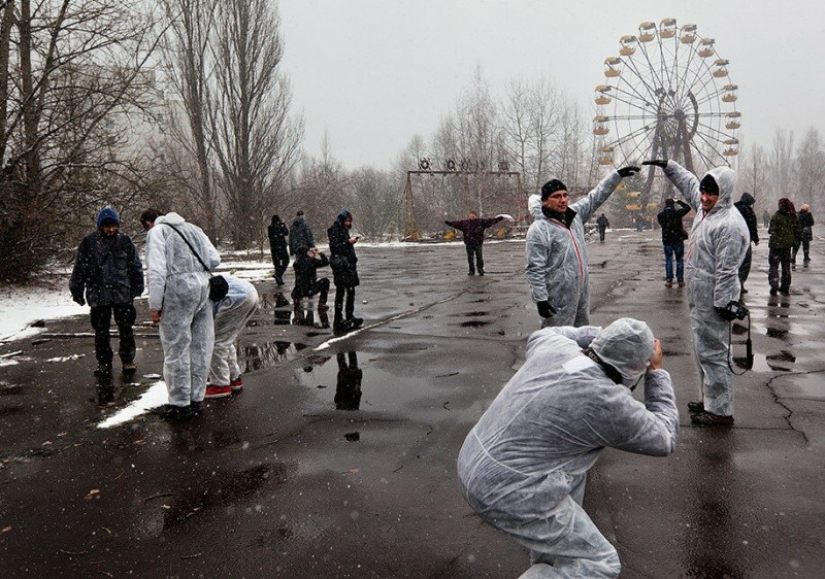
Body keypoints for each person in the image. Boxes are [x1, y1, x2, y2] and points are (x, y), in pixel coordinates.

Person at [457, 319, 678, 579]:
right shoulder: (608, 402)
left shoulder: (555, 348)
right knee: (600, 563)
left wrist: (604, 335)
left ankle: (548, 570)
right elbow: (664, 438)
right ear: (634, 369)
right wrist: (656, 373)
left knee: (569, 498)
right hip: (510, 490)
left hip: (473, 460)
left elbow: (547, 331)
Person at [643, 159, 749, 426]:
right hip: (701, 297)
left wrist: (724, 302)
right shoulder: (707, 210)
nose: (703, 197)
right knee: (703, 351)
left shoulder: (728, 225)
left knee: (714, 354)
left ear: (723, 193)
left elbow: (727, 270)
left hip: (715, 300)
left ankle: (721, 411)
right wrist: (669, 166)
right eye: (703, 191)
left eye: (710, 193)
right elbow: (689, 182)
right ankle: (710, 400)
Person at [525, 166, 640, 327]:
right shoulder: (539, 229)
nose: (563, 200)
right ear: (545, 201)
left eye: (565, 195)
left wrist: (616, 176)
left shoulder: (575, 215)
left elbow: (596, 196)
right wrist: (541, 299)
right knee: (558, 340)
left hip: (581, 292)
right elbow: (534, 268)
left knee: (581, 336)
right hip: (557, 296)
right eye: (556, 196)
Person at [141, 209, 221, 421]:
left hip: (177, 291)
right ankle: (196, 398)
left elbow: (157, 272)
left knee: (176, 348)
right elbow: (215, 259)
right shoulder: (194, 229)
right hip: (204, 289)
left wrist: (155, 306)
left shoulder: (158, 232)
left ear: (150, 223)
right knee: (201, 347)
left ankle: (179, 403)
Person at [70, 207, 144, 376]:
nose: (110, 229)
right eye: (107, 226)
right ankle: (104, 363)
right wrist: (77, 290)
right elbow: (80, 268)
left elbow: (135, 266)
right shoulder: (89, 243)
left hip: (122, 294)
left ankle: (127, 360)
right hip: (98, 294)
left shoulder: (125, 242)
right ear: (100, 226)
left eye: (113, 226)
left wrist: (137, 287)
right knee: (101, 332)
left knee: (126, 329)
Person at [205, 275, 259, 399]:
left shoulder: (188, 285)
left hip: (236, 297)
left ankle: (220, 385)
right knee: (225, 340)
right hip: (247, 292)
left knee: (216, 341)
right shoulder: (198, 276)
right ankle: (233, 378)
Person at [328, 209, 362, 334]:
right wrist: (348, 242)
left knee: (350, 291)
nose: (348, 223)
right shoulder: (335, 231)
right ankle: (339, 319)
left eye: (349, 221)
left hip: (347, 265)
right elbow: (335, 248)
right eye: (346, 221)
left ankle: (349, 316)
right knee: (341, 292)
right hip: (341, 266)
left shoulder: (342, 230)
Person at [444, 211, 505, 275]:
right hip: (469, 243)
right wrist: (449, 223)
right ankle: (471, 270)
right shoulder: (465, 223)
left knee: (479, 257)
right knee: (470, 258)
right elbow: (456, 224)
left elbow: (490, 221)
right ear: (469, 216)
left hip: (478, 242)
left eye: (473, 215)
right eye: (471, 215)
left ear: (476, 216)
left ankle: (480, 270)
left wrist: (499, 219)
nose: (472, 216)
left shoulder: (481, 222)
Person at [768, 198, 801, 296]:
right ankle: (785, 287)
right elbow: (798, 230)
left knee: (774, 266)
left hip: (775, 245)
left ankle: (774, 283)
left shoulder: (776, 216)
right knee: (786, 267)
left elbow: (771, 230)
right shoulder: (793, 217)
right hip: (787, 246)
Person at [656, 198, 691, 288]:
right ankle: (680, 280)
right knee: (679, 260)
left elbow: (662, 224)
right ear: (673, 205)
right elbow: (688, 208)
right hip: (678, 239)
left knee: (668, 260)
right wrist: (679, 202)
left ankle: (669, 280)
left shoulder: (661, 215)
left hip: (667, 240)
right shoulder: (677, 213)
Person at [734, 192, 760, 293]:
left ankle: (734, 284)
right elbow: (752, 226)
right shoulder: (748, 210)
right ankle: (740, 283)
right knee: (745, 263)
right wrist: (756, 239)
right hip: (745, 240)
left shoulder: (733, 208)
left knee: (733, 262)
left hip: (733, 239)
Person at [291, 245, 331, 311]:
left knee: (299, 282)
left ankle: (296, 298)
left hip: (299, 291)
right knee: (326, 281)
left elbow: (304, 263)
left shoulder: (296, 263)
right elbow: (326, 262)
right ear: (306, 252)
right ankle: (322, 303)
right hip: (310, 289)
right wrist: (320, 253)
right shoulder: (312, 261)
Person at [267, 215, 290, 286]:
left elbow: (285, 233)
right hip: (280, 247)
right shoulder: (279, 226)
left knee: (277, 264)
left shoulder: (270, 227)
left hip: (274, 248)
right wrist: (283, 225)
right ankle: (279, 275)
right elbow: (286, 232)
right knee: (285, 261)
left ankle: (278, 276)